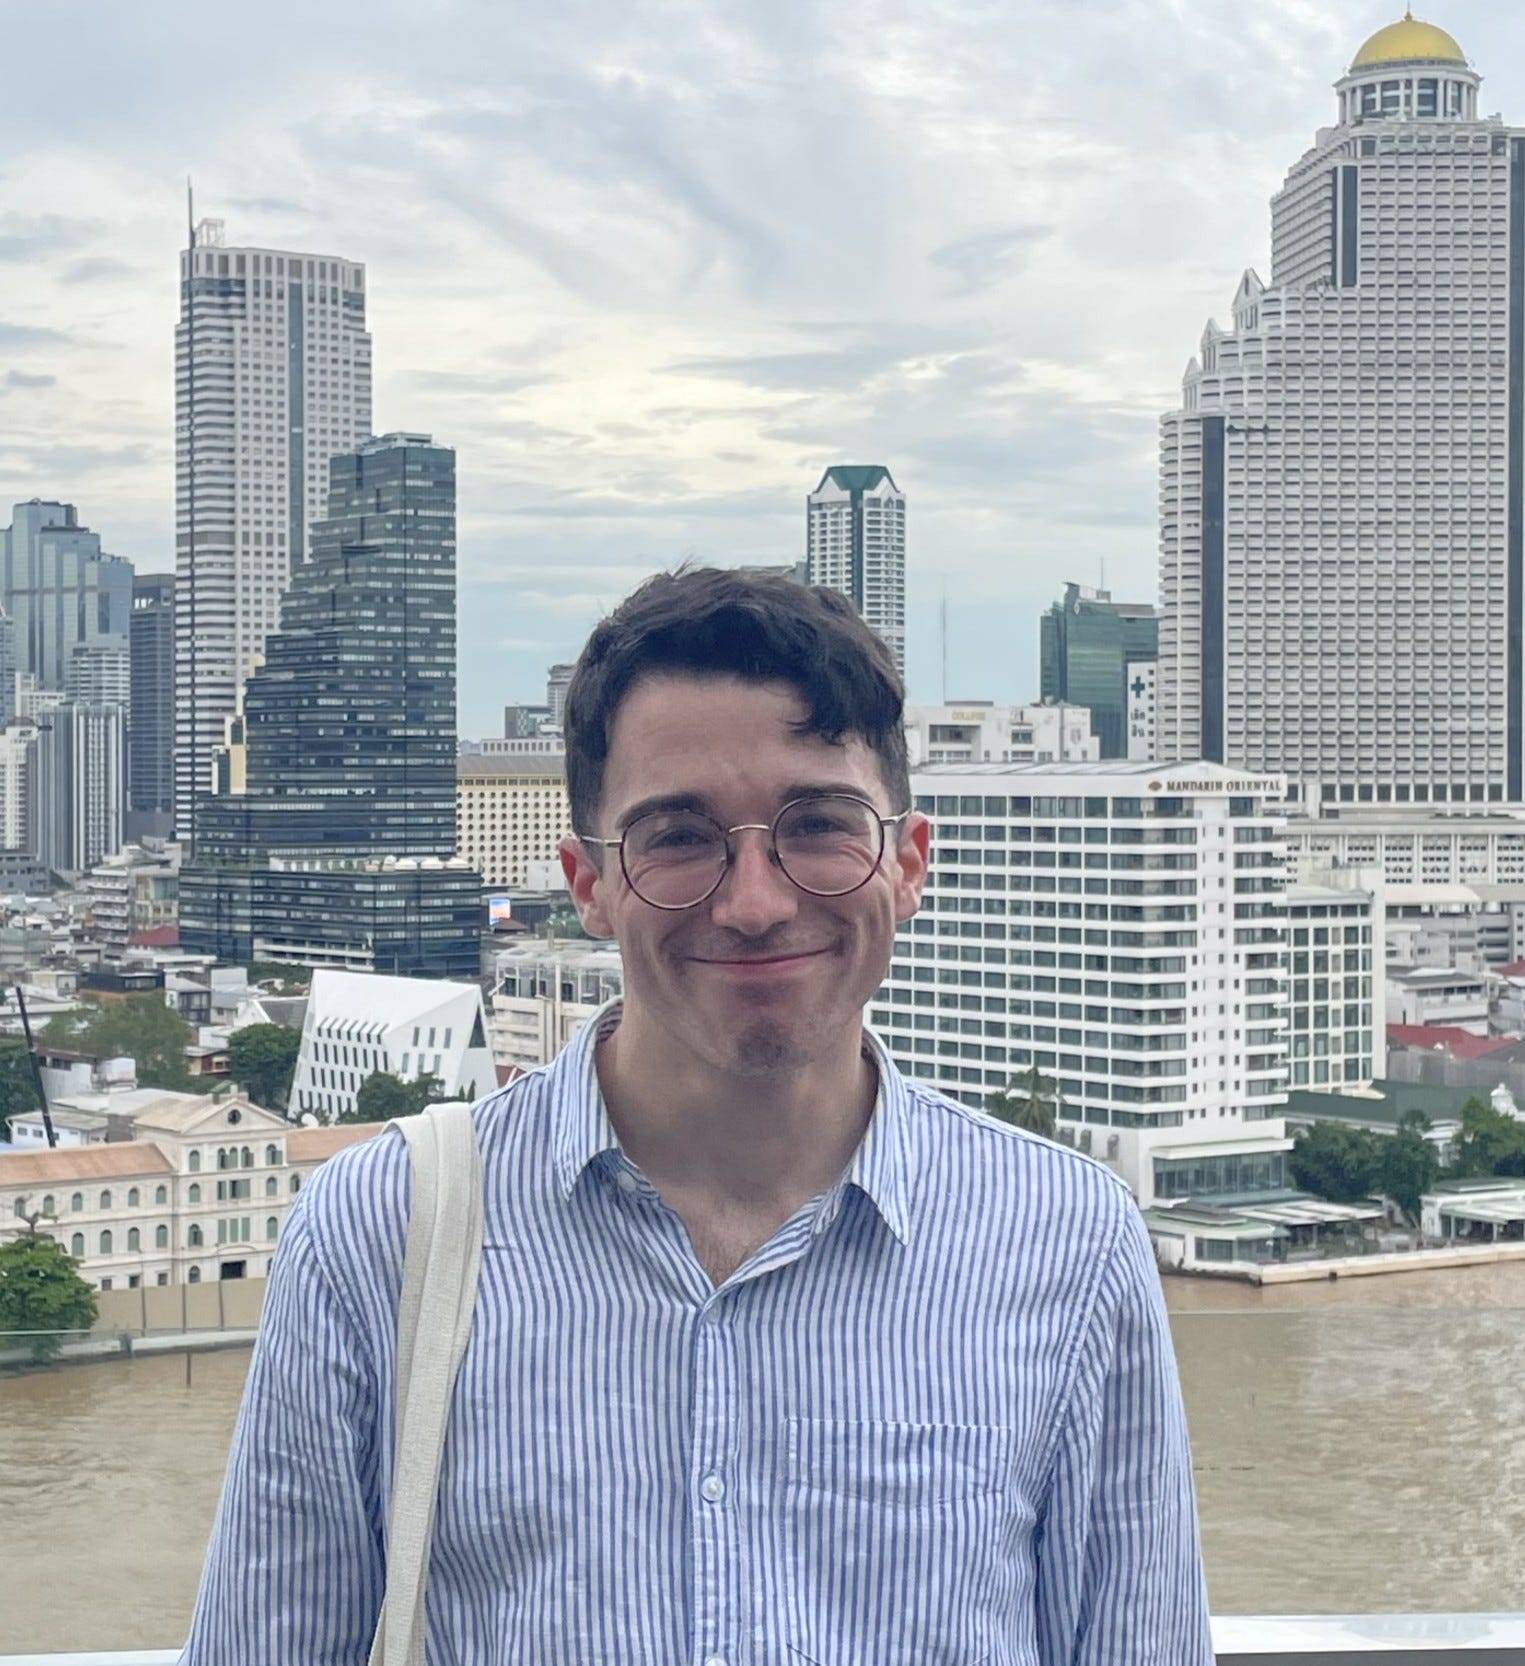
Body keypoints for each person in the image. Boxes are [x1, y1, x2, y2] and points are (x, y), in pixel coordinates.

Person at [180, 566, 1214, 1663]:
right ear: (589, 884)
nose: (755, 903)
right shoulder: (380, 1235)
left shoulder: (1067, 1244)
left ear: (907, 862)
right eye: (677, 836)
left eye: (818, 825)